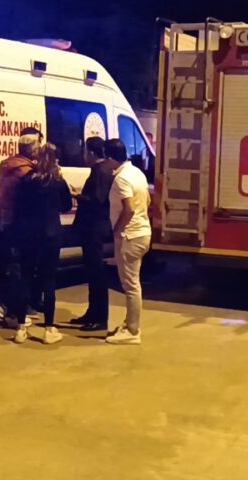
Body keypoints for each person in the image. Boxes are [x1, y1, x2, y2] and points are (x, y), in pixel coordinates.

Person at [8, 143, 73, 344]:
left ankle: (21, 328)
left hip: (29, 234)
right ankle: (49, 328)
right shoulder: (58, 182)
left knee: (25, 278)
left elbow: (18, 205)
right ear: (55, 160)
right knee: (49, 281)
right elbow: (66, 206)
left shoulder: (27, 180)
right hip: (51, 235)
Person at [0, 127, 42, 325]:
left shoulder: (6, 165)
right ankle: (16, 309)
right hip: (23, 223)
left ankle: (6, 304)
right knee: (23, 268)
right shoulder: (26, 171)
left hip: (6, 219)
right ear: (32, 150)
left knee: (10, 264)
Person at [105, 138, 152, 345]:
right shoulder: (137, 173)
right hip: (142, 232)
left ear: (109, 157)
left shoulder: (121, 179)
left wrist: (117, 230)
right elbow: (147, 201)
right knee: (133, 283)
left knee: (131, 286)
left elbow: (129, 208)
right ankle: (129, 324)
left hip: (130, 236)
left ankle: (132, 331)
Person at [70, 136, 118, 332]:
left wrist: (77, 196)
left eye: (85, 151)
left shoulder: (100, 171)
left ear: (90, 152)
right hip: (97, 227)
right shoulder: (105, 169)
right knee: (92, 273)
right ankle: (92, 313)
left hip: (94, 228)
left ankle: (99, 318)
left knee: (96, 274)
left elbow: (96, 200)